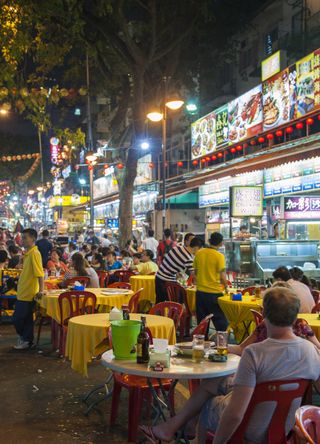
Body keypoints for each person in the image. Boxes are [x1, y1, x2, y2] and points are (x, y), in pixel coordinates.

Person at [140, 286, 320, 444]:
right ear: (296, 316)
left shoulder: (255, 353)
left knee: (210, 402)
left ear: (263, 314)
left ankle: (183, 430)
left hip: (248, 429)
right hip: (286, 427)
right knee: (213, 383)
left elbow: (235, 415)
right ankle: (174, 428)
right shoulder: (311, 352)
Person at [12, 228, 44, 350]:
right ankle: (27, 340)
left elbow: (40, 274)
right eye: (22, 237)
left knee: (17, 318)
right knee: (26, 319)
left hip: (29, 293)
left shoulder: (35, 253)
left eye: (25, 238)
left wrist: (41, 290)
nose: (22, 240)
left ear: (33, 239)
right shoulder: (28, 253)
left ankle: (25, 338)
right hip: (23, 291)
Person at [193, 232, 229, 330]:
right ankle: (221, 343)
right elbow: (222, 276)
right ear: (221, 243)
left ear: (209, 241)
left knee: (202, 322)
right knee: (220, 322)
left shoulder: (199, 253)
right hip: (214, 293)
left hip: (200, 293)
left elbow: (195, 273)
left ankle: (202, 342)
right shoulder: (219, 256)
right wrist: (226, 288)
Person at [155, 237, 202, 304]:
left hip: (158, 277)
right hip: (167, 282)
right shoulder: (188, 258)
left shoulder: (177, 248)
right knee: (175, 302)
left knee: (159, 302)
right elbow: (194, 276)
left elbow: (171, 263)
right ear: (196, 248)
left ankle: (156, 313)